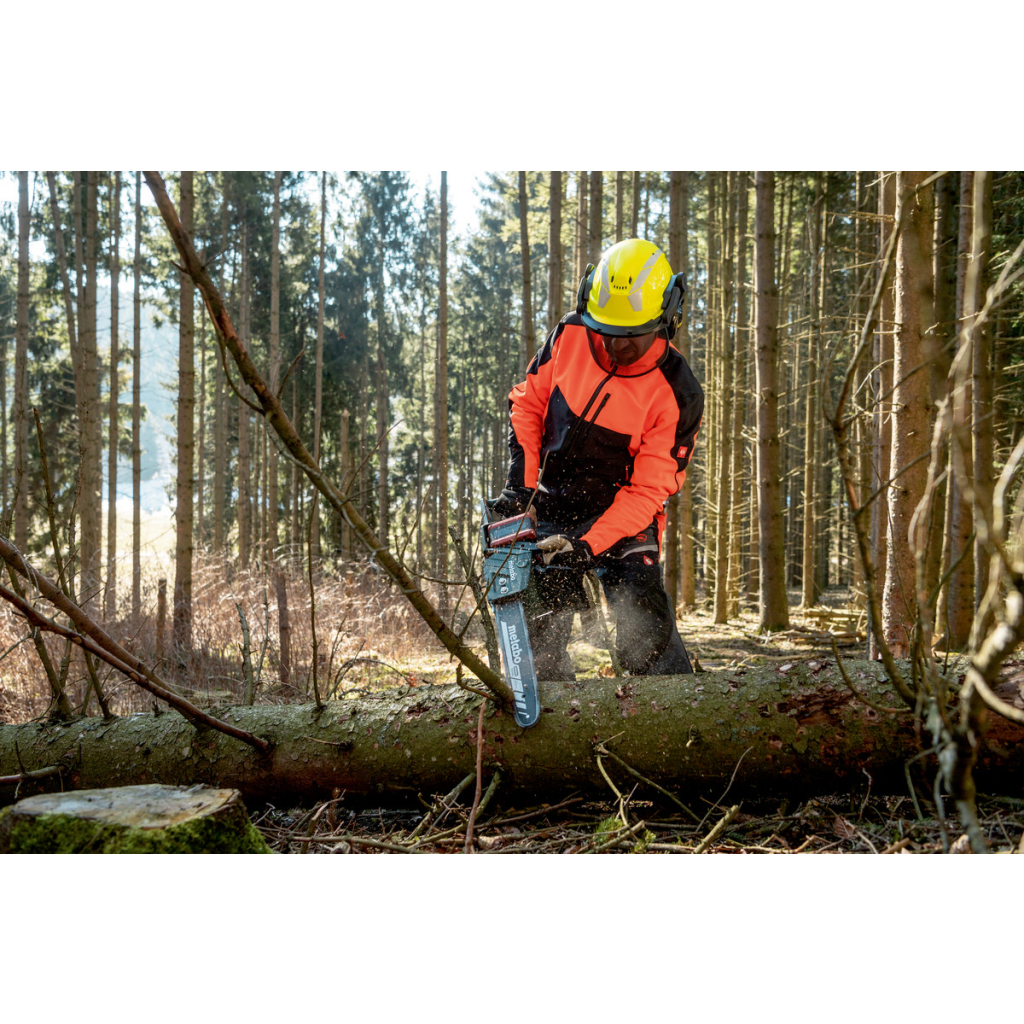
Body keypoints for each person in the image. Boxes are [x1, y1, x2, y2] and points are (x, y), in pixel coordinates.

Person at [490, 238, 704, 680]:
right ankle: (551, 706)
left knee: (644, 620)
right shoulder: (570, 334)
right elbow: (528, 405)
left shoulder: (678, 391)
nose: (616, 346)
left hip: (623, 517)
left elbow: (647, 491)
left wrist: (588, 545)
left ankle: (669, 704)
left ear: (667, 317)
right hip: (552, 503)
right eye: (607, 331)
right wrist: (521, 488)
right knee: (537, 628)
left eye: (631, 336)